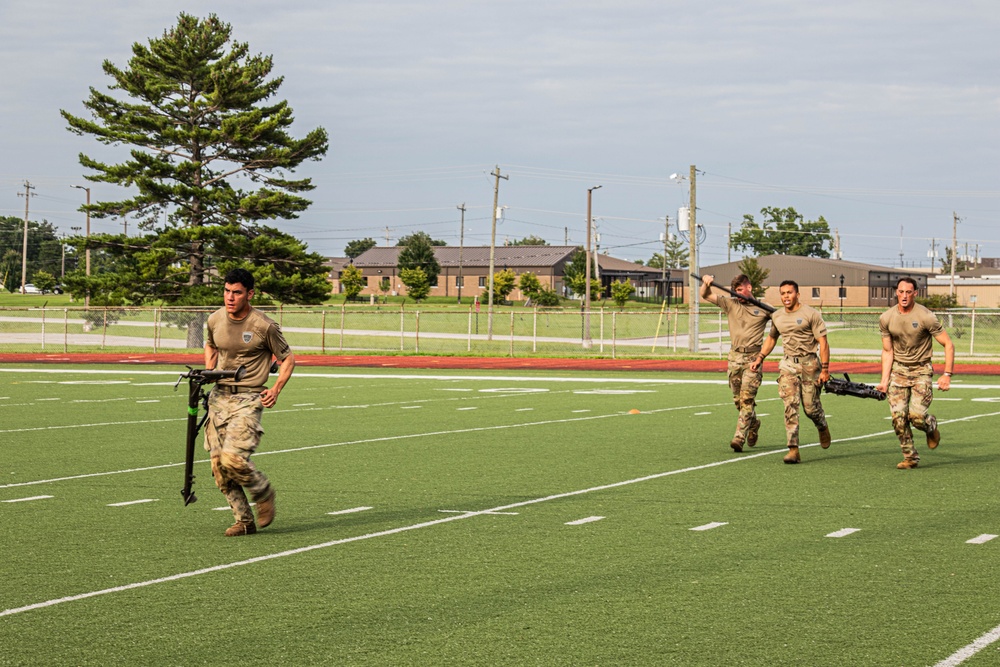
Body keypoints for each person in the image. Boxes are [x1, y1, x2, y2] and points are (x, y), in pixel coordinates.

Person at [204, 268, 295, 536]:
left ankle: (263, 492)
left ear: (250, 294)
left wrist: (277, 388)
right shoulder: (214, 319)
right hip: (219, 397)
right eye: (226, 291)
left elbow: (288, 358)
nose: (230, 297)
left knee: (233, 459)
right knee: (219, 468)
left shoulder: (263, 325)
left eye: (237, 292)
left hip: (248, 397)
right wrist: (209, 369)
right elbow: (211, 344)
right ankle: (244, 521)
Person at [875, 277, 954, 470]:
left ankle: (930, 426)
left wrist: (947, 374)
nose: (904, 296)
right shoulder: (886, 318)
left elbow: (948, 344)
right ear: (896, 292)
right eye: (901, 292)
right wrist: (884, 381)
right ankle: (910, 457)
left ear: (915, 293)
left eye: (908, 292)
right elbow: (887, 351)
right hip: (898, 371)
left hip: (921, 371)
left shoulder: (926, 316)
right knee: (898, 417)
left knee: (917, 416)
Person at [751, 280, 832, 464]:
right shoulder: (777, 316)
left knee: (810, 408)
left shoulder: (811, 314)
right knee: (790, 405)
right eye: (783, 293)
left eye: (789, 293)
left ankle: (822, 425)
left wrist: (825, 369)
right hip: (788, 365)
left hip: (809, 364)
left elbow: (823, 343)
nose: (786, 296)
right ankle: (793, 449)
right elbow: (771, 339)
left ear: (797, 294)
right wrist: (760, 358)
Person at [700, 273, 771, 452]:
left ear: (750, 288)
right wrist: (706, 284)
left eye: (740, 290)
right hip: (734, 357)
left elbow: (783, 324)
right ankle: (753, 424)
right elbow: (705, 295)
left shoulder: (765, 309)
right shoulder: (731, 303)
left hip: (753, 358)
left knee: (747, 399)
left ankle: (739, 437)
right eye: (735, 291)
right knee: (738, 400)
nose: (738, 294)